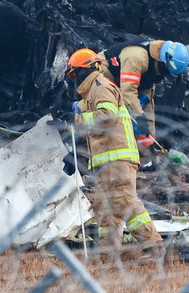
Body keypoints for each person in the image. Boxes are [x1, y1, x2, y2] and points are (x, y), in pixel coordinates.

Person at [63, 48, 164, 262]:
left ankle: (155, 249)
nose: (75, 78)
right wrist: (75, 155)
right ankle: (108, 257)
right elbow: (92, 131)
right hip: (105, 162)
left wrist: (77, 120)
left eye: (76, 73)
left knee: (124, 202)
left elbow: (107, 117)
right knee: (104, 208)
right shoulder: (88, 96)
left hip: (118, 159)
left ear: (86, 70)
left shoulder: (101, 87)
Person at [98, 39, 189, 148]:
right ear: (163, 62)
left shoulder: (153, 67)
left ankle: (143, 148)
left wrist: (150, 141)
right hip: (103, 74)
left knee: (139, 111)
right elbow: (127, 92)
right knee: (117, 111)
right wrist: (138, 115)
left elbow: (147, 103)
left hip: (122, 82)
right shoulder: (137, 58)